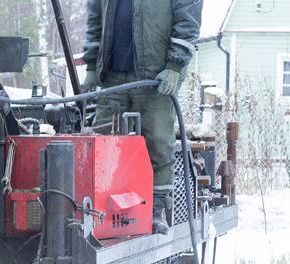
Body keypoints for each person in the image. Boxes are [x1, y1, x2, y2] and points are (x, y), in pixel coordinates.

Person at [83, 0, 202, 234]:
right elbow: (95, 19)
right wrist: (90, 65)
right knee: (104, 143)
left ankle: (155, 211)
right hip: (113, 76)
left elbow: (188, 20)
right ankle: (101, 212)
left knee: (156, 140)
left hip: (156, 77)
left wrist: (175, 67)